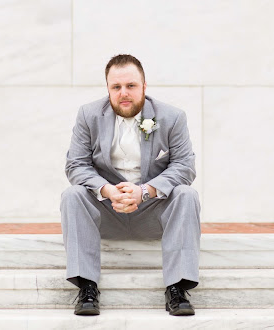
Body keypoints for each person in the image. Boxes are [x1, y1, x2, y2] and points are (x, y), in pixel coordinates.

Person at [60, 54, 201, 316]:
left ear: (144, 87)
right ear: (108, 89)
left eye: (131, 86)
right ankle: (87, 286)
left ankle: (177, 289)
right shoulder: (88, 115)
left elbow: (185, 167)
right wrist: (107, 189)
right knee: (73, 195)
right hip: (106, 211)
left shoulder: (172, 117)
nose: (124, 93)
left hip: (152, 212)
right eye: (116, 87)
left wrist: (145, 191)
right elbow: (75, 165)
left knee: (186, 194)